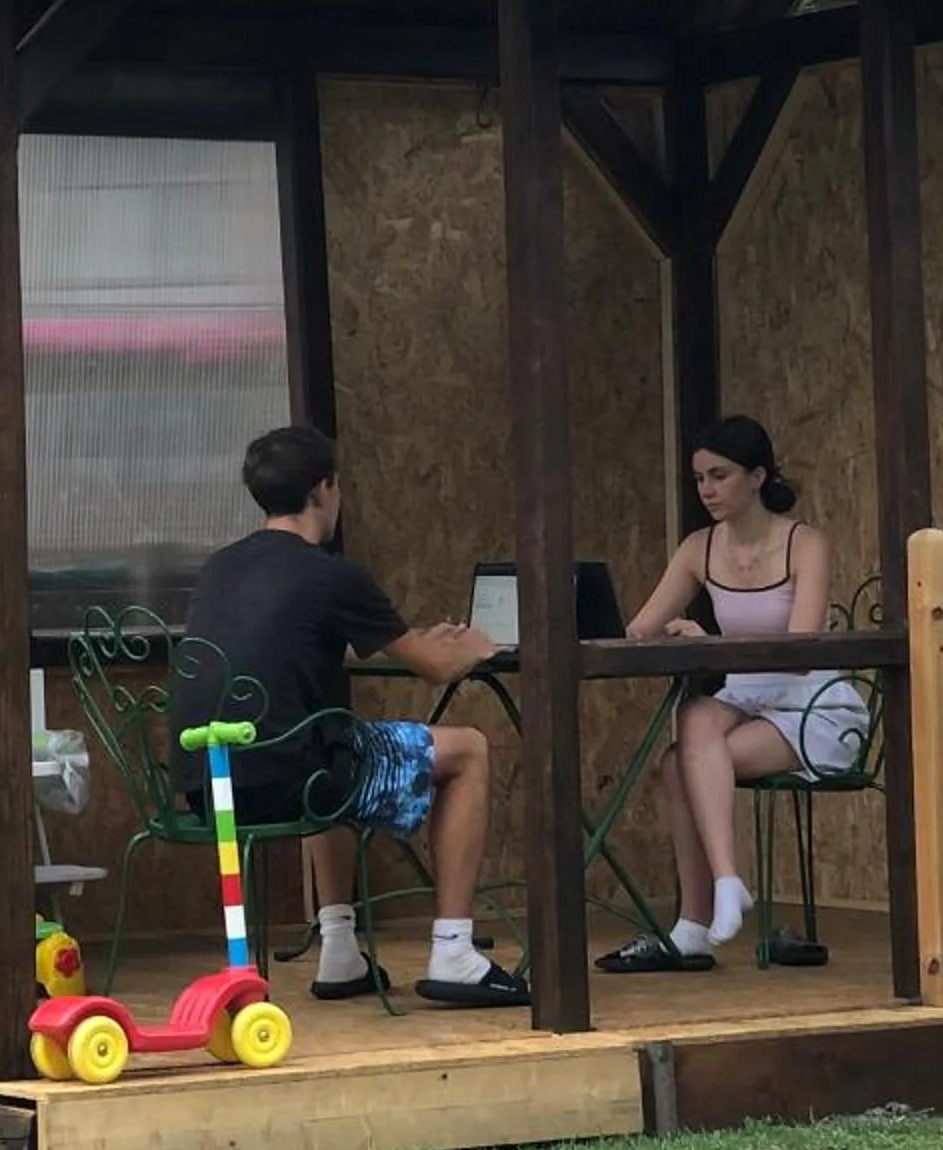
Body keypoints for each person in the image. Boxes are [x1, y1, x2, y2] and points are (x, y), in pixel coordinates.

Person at [169, 425, 529, 1008]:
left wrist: (417, 639)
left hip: (213, 787)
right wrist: (476, 645)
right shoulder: (331, 573)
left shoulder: (219, 568)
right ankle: (455, 952)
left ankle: (339, 949)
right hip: (290, 781)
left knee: (329, 732)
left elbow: (292, 638)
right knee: (467, 749)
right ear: (324, 488)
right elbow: (436, 668)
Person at [598, 415, 872, 974]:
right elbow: (640, 628)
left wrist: (711, 641)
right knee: (691, 729)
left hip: (810, 704)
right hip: (747, 700)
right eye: (700, 478)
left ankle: (700, 919)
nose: (707, 490)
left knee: (685, 761)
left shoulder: (805, 543)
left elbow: (800, 648)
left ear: (757, 477)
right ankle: (724, 888)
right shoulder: (698, 548)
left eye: (720, 476)